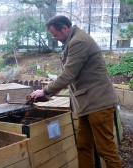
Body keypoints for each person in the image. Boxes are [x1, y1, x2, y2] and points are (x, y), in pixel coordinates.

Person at [29, 15, 121, 168]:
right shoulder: (73, 40)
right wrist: (57, 89)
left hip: (98, 104)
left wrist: (44, 91)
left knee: (106, 150)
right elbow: (78, 75)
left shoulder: (79, 41)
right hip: (87, 105)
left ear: (65, 28)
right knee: (83, 146)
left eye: (55, 34)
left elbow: (69, 74)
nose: (55, 38)